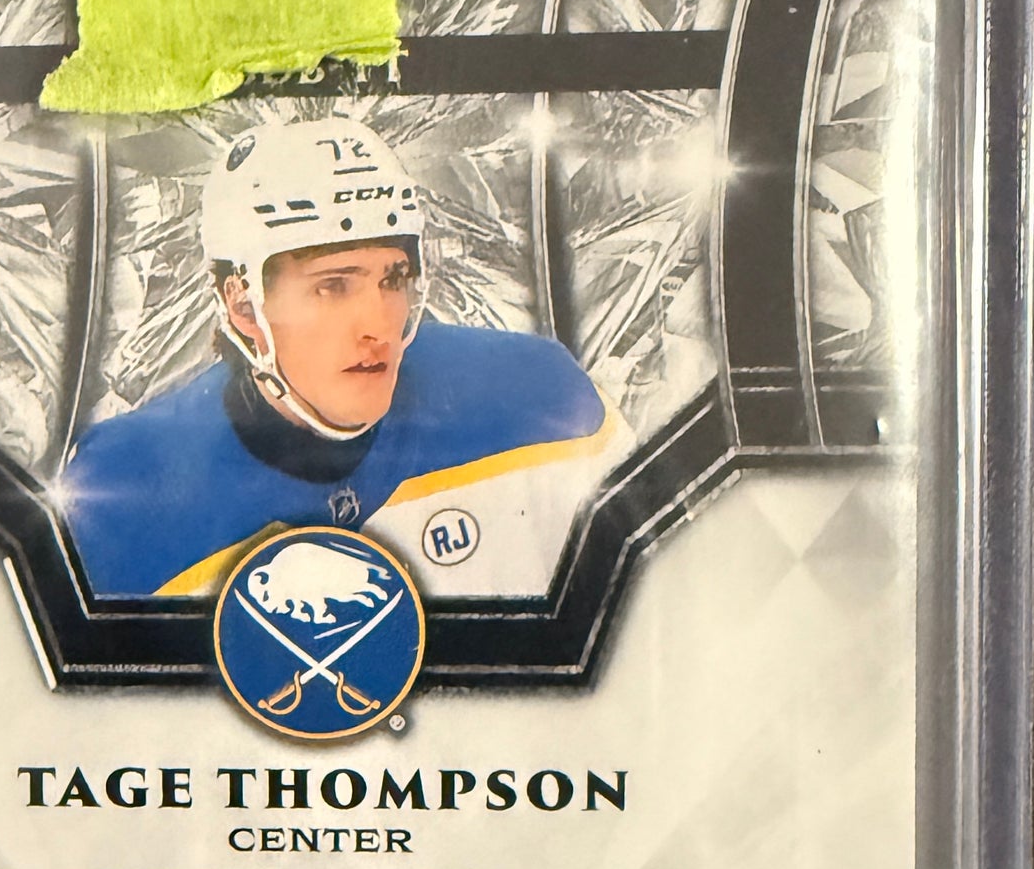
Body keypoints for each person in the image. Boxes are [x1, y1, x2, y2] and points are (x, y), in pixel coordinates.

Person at [57, 119, 626, 597]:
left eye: (393, 279)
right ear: (244, 307)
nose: (378, 325)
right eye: (333, 286)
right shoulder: (122, 498)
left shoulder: (540, 400)